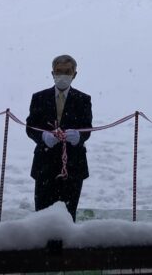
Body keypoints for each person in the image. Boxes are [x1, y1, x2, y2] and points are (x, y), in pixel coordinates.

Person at [25, 54, 92, 220]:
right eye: (59, 71)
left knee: (69, 216)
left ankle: (65, 245)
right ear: (52, 73)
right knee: (42, 215)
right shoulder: (39, 98)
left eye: (67, 71)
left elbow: (87, 128)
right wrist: (43, 137)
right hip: (44, 165)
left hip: (73, 166)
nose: (63, 75)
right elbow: (30, 127)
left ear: (74, 74)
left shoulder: (83, 99)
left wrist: (78, 137)